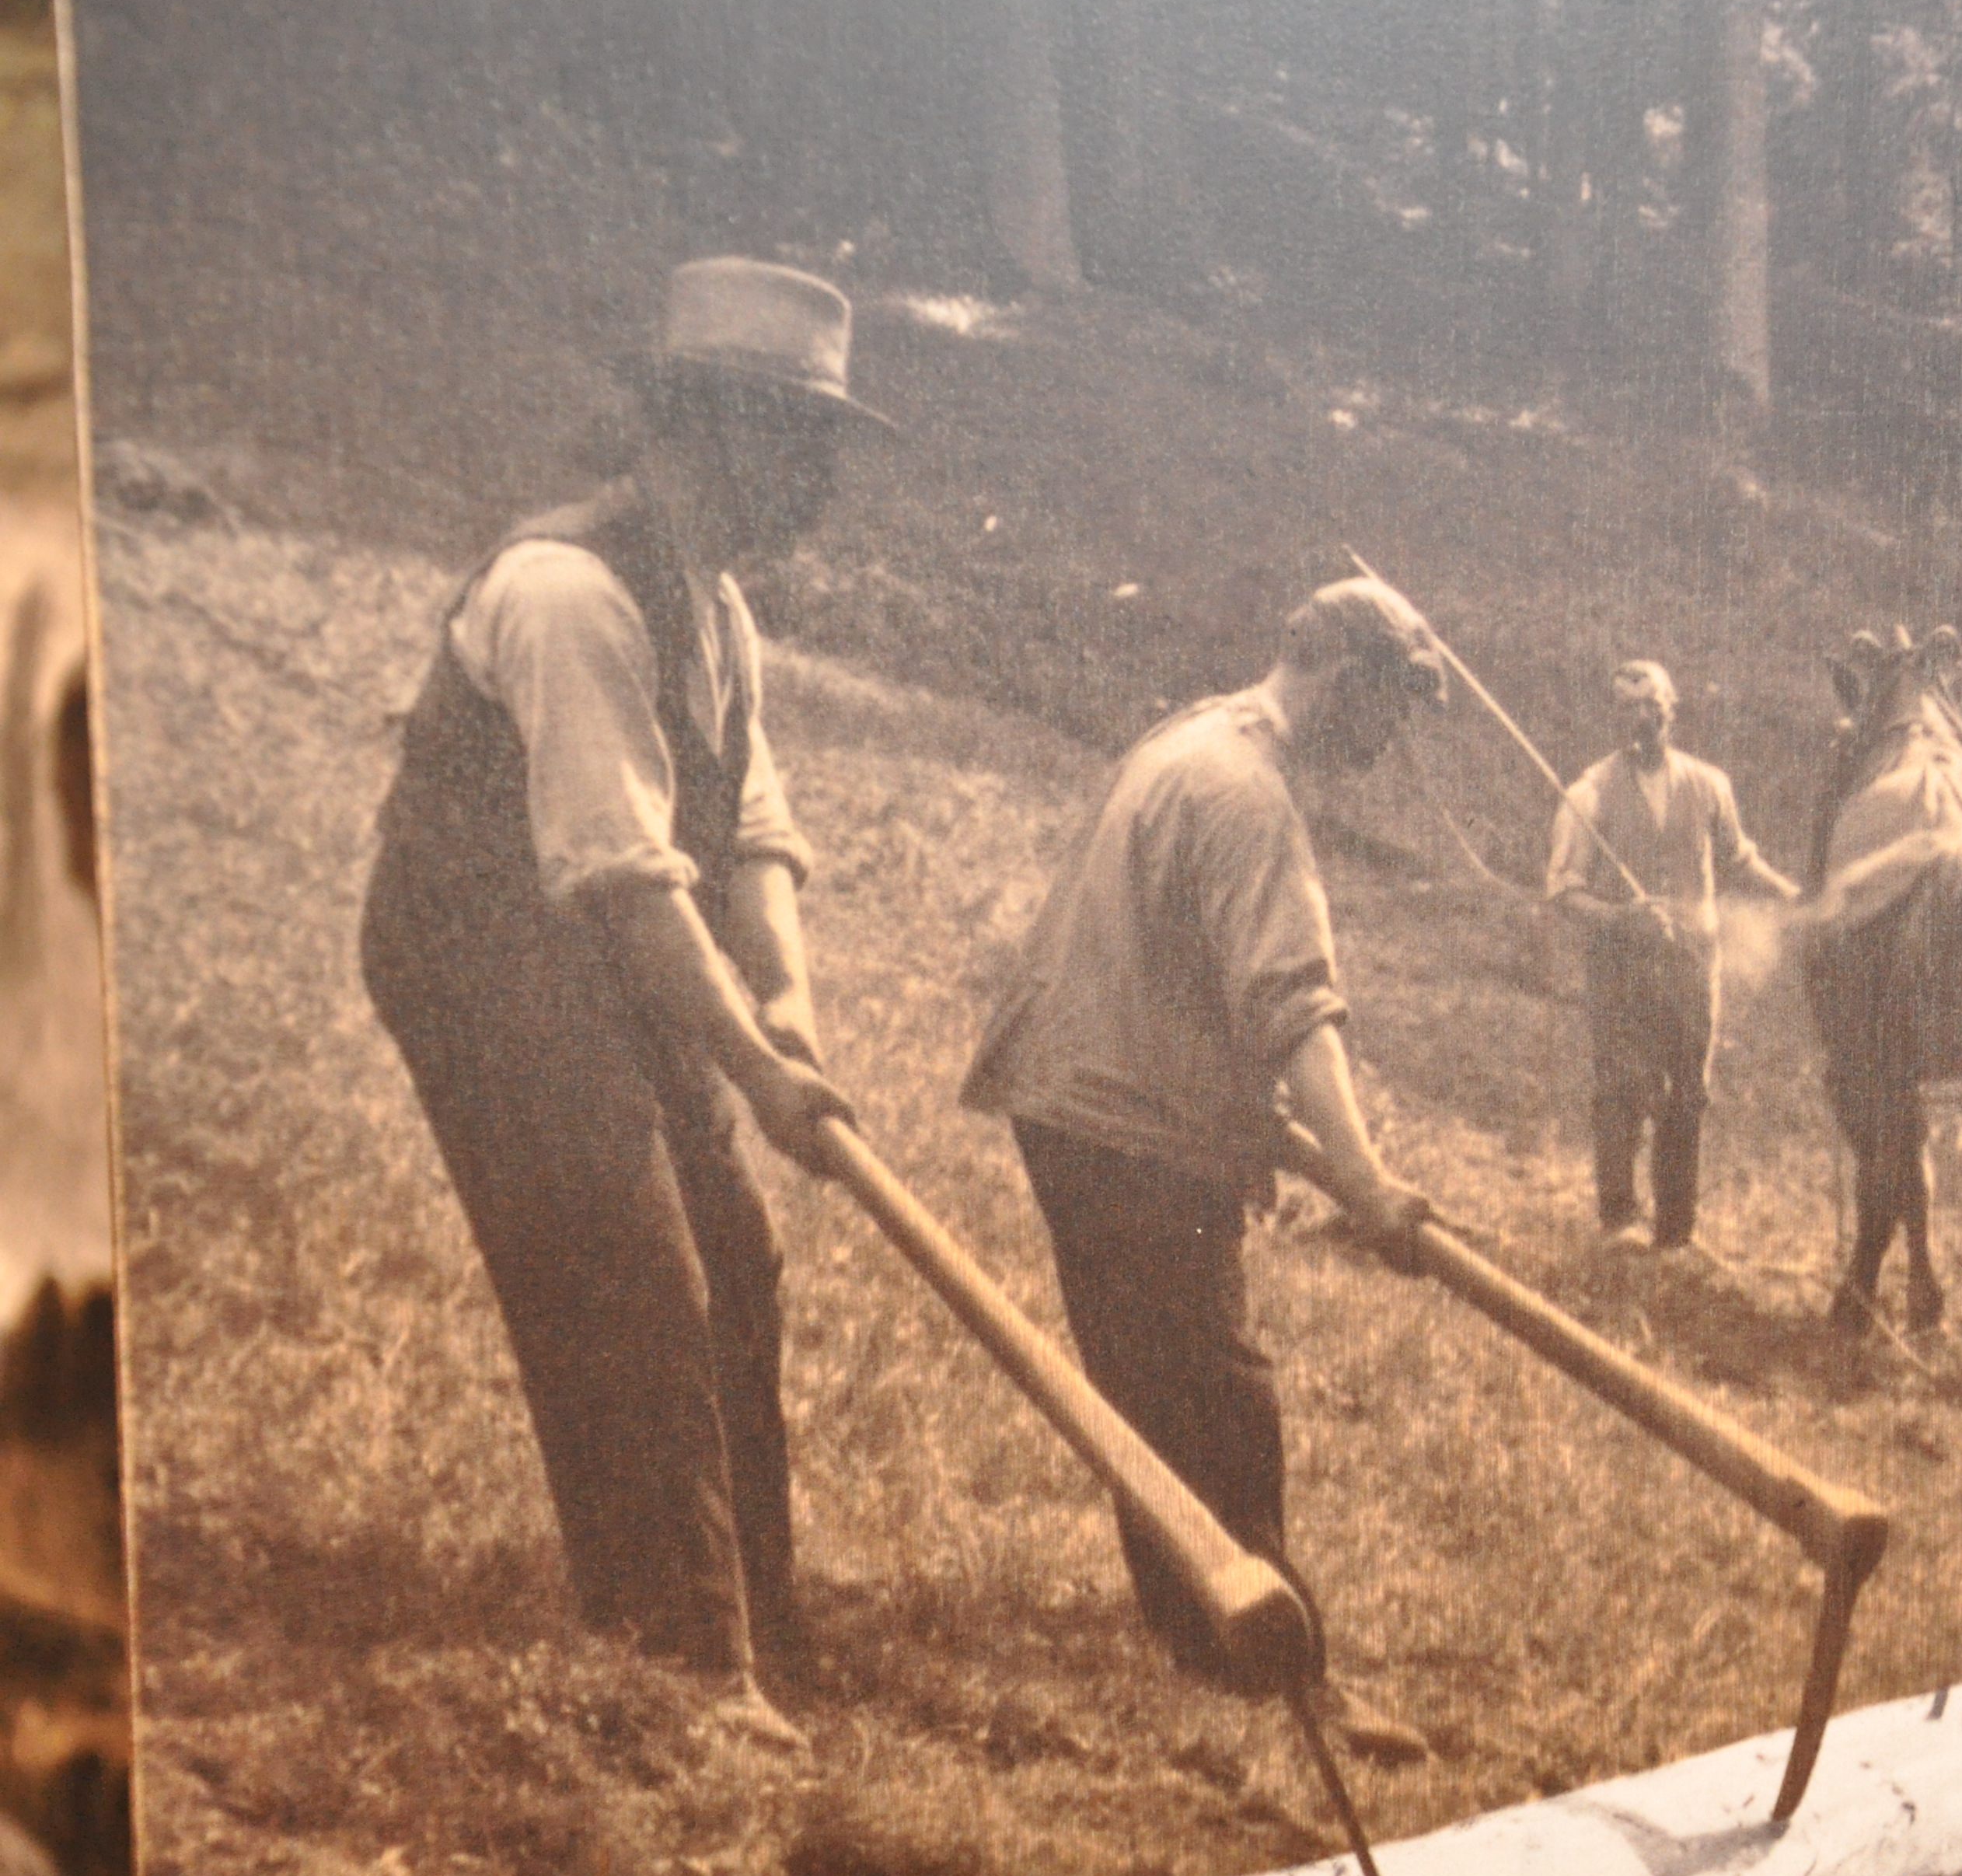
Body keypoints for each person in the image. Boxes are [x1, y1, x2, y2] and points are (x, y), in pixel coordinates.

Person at [360, 258, 878, 1747]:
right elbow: (627, 877)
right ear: (707, 427)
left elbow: (752, 828)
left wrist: (785, 1007)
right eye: (803, 437)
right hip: (486, 967)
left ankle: (756, 1633)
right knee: (632, 1272)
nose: (823, 477)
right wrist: (757, 1076)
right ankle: (676, 1671)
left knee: (741, 1258)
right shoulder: (570, 590)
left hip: (607, 953)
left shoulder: (716, 610)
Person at [960, 575, 1450, 1763]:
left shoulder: (1192, 739)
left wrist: (1255, 1121)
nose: (1387, 745)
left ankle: (1202, 1635)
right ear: (1342, 676)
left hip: (1077, 1102)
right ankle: (1276, 1666)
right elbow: (1295, 1009)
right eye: (1389, 712)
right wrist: (1370, 1184)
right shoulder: (1250, 798)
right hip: (1126, 1122)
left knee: (1151, 1385)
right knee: (1220, 1393)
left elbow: (1187, 967)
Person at [1543, 659, 1795, 1252]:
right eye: (1628, 708)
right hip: (1621, 969)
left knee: (1688, 1093)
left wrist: (1794, 895)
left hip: (1691, 968)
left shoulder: (1711, 786)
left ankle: (1677, 1232)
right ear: (1615, 717)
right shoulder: (1588, 793)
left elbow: (1738, 860)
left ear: (1671, 710)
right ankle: (1619, 1221)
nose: (1642, 719)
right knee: (1621, 1091)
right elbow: (1563, 890)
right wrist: (1621, 919)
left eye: (1652, 706)